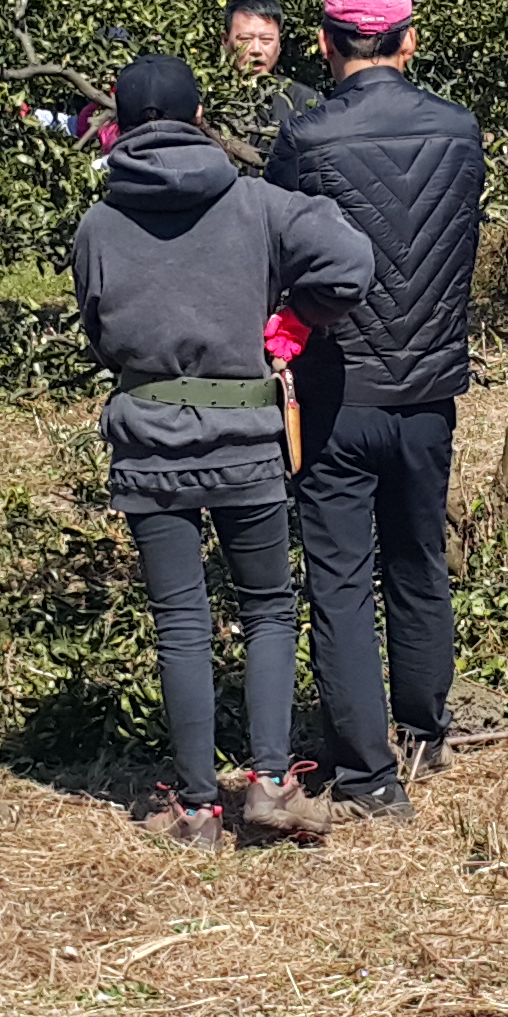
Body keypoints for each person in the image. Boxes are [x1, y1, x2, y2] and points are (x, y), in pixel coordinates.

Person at [75, 54, 374, 846]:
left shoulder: (99, 223)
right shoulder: (259, 204)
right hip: (247, 442)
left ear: (122, 125)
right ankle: (272, 782)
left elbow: (101, 332)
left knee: (181, 621)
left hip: (148, 443)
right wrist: (295, 320)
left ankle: (199, 807)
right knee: (269, 608)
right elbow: (352, 262)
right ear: (202, 117)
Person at [268, 0, 484, 810]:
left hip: (336, 389)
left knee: (341, 578)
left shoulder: (307, 138)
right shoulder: (460, 129)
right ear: (410, 40)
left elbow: (286, 255)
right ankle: (426, 735)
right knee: (419, 562)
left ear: (323, 43)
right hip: (430, 388)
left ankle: (367, 774)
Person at [206, 0, 327, 169]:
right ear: (225, 41)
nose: (256, 50)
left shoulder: (305, 102)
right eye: (245, 39)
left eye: (266, 40)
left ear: (279, 44)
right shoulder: (208, 101)